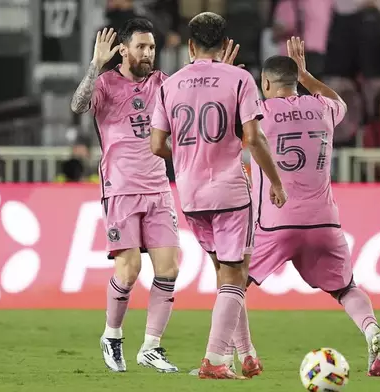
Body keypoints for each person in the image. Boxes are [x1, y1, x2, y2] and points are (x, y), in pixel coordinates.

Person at [150, 12, 287, 380]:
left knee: (227, 273)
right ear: (225, 45)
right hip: (228, 190)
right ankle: (214, 360)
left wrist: (186, 156)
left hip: (191, 195)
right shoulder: (240, 78)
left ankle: (247, 354)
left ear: (190, 46)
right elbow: (254, 138)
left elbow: (156, 144)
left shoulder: (170, 84)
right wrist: (275, 181)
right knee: (235, 276)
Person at [244, 37, 380, 377]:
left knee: (233, 284)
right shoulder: (323, 108)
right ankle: (372, 332)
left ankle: (230, 355)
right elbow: (339, 101)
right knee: (346, 288)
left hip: (276, 221)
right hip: (325, 221)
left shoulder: (260, 111)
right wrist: (307, 75)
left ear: (265, 84)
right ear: (295, 81)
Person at [69, 19, 180, 374]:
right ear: (124, 50)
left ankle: (151, 347)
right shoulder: (105, 83)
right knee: (129, 270)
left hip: (159, 188)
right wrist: (94, 65)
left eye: (152, 47)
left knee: (169, 268)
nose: (148, 53)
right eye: (141, 47)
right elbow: (77, 105)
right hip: (120, 189)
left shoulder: (162, 83)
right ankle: (112, 336)